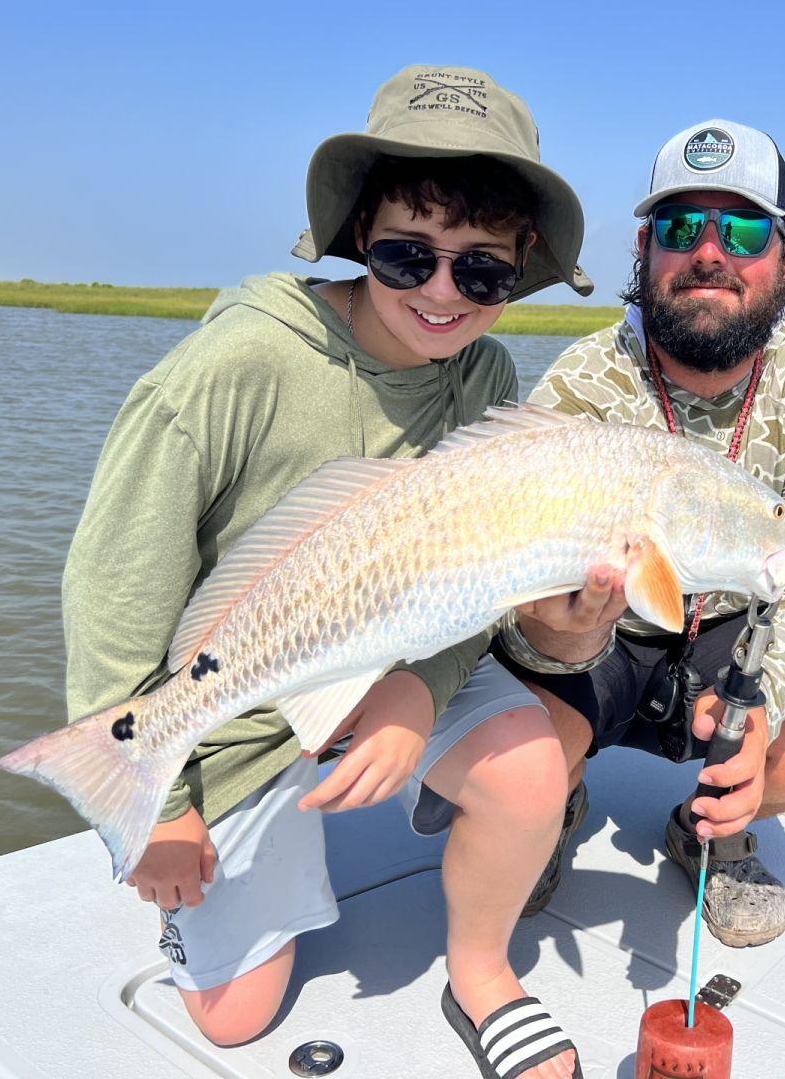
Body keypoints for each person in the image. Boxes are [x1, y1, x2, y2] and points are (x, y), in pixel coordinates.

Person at [62, 65, 591, 1079]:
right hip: (227, 694)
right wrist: (159, 802)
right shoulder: (234, 366)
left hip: (392, 649)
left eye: (480, 272)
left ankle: (482, 970)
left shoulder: (487, 378)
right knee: (234, 1020)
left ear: (519, 270)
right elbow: (113, 586)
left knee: (529, 768)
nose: (442, 293)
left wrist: (416, 688)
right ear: (358, 236)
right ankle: (163, 823)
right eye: (408, 255)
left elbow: (475, 579)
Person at [495, 119, 785, 948]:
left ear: (784, 255)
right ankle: (555, 799)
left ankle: (711, 825)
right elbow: (513, 575)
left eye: (742, 229)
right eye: (682, 227)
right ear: (645, 248)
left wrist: (762, 706)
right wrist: (550, 634)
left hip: (734, 637)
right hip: (598, 635)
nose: (709, 251)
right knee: (507, 743)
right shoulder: (583, 382)